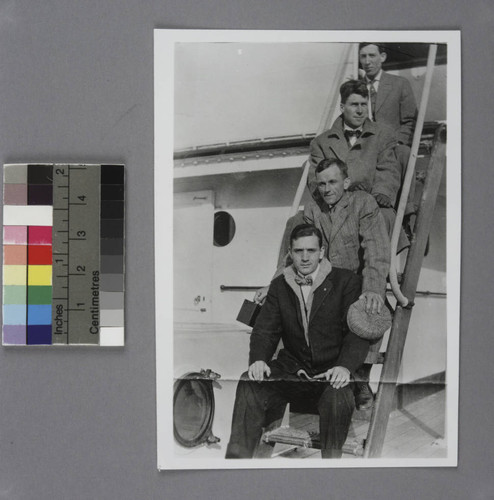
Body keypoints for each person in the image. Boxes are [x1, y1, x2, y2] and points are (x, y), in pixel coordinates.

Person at [256, 158, 390, 409]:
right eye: (322, 184)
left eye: (333, 182)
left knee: (370, 312)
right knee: (287, 308)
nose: (327, 189)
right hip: (325, 284)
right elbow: (296, 254)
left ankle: (360, 378)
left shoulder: (363, 203)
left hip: (357, 283)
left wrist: (373, 288)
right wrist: (273, 284)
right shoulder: (312, 209)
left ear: (346, 182)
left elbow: (376, 249)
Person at [226, 224, 369, 459]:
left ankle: (331, 473)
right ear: (290, 253)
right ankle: (235, 466)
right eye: (298, 251)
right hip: (292, 372)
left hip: (330, 373)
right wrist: (259, 360)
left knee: (338, 395)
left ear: (322, 252)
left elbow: (357, 331)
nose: (304, 258)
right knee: (248, 382)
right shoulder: (280, 285)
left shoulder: (346, 282)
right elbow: (265, 330)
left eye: (311, 251)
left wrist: (344, 366)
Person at [308, 80, 402, 238]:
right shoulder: (321, 142)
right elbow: (314, 179)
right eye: (354, 105)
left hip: (371, 200)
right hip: (335, 204)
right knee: (297, 222)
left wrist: (382, 193)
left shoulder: (383, 135)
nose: (360, 111)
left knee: (383, 218)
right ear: (342, 107)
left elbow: (388, 169)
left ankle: (376, 262)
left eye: (364, 104)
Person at [359, 42, 418, 216]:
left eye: (372, 55)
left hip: (392, 145)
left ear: (382, 57)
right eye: (363, 56)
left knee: (404, 153)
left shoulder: (399, 83)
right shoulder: (356, 87)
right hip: (366, 147)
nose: (367, 61)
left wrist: (398, 141)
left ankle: (406, 211)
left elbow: (410, 119)